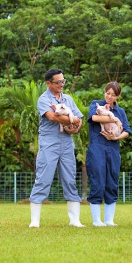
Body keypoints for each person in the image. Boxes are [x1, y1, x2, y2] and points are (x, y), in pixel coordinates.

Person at [29, 68, 85, 228]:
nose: (61, 84)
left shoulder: (68, 99)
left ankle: (75, 220)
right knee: (43, 178)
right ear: (48, 83)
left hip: (67, 143)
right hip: (49, 143)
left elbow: (79, 120)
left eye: (63, 81)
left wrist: (75, 127)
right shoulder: (43, 99)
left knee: (70, 179)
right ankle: (35, 221)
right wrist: (71, 120)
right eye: (58, 82)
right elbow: (52, 116)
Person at [86, 81, 131, 227]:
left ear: (118, 96)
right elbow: (94, 118)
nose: (109, 96)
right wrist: (115, 119)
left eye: (113, 94)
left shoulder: (121, 111)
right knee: (97, 181)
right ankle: (96, 220)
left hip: (113, 147)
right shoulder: (96, 104)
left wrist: (116, 137)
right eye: (107, 93)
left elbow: (126, 131)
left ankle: (109, 220)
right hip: (97, 147)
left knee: (112, 182)